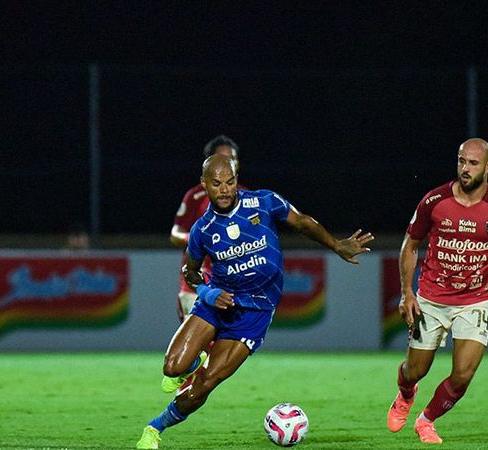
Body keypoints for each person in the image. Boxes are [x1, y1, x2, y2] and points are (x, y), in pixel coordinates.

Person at [136, 154, 374, 449]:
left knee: (205, 384)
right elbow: (191, 272)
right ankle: (194, 359)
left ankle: (154, 428)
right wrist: (209, 293)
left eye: (230, 182)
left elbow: (302, 223)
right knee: (172, 368)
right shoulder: (202, 230)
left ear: (236, 181)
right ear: (204, 185)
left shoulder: (262, 202)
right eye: (216, 183)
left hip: (254, 314)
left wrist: (337, 245)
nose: (224, 189)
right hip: (216, 304)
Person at [387, 138, 488, 444]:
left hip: (476, 300)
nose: (465, 168)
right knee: (414, 371)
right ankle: (406, 394)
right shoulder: (434, 201)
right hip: (431, 298)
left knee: (463, 374)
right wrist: (407, 293)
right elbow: (410, 245)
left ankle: (426, 421)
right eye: (462, 161)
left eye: (473, 163)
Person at [170, 135, 243, 322]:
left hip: (234, 286)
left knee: (228, 348)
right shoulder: (196, 197)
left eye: (232, 159)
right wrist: (198, 240)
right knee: (198, 349)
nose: (228, 163)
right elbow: (175, 234)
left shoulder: (248, 198)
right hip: (197, 285)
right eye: (222, 159)